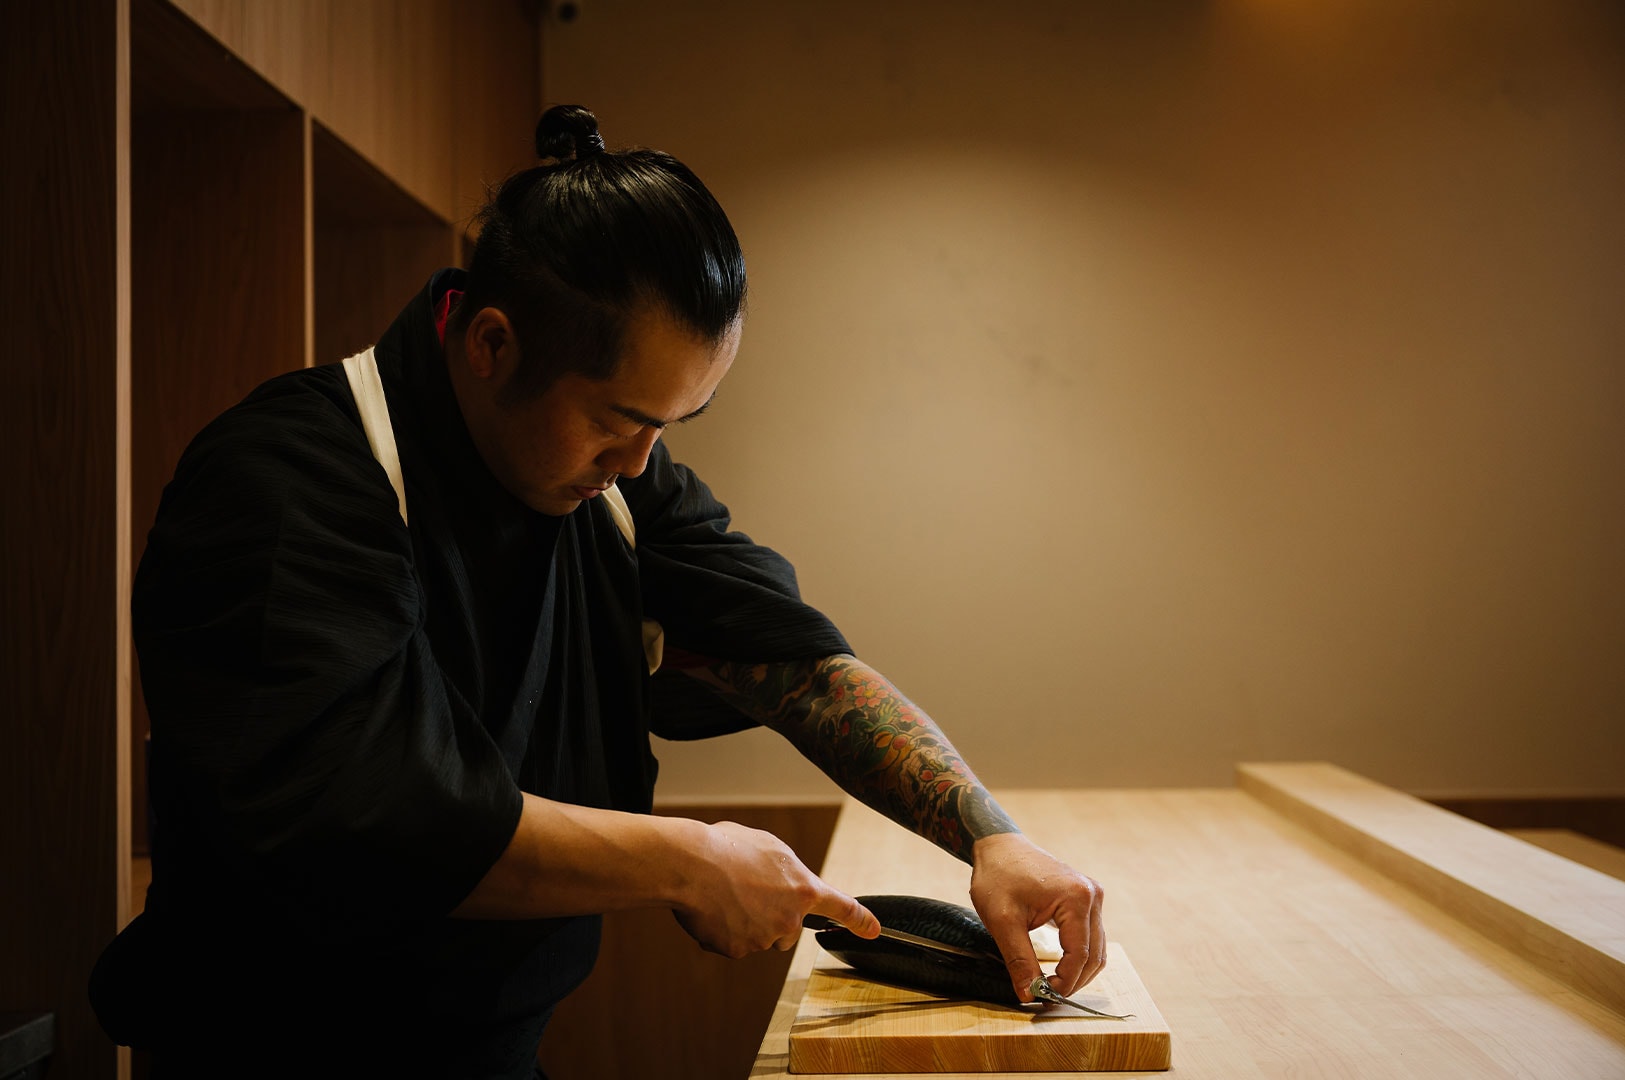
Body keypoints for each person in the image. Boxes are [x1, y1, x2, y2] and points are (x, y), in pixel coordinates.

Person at [91, 105, 1105, 1078]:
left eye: (671, 425)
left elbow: (793, 667)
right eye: (619, 419)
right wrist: (687, 860)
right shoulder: (288, 482)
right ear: (492, 344)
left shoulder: (610, 487)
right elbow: (377, 819)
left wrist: (989, 836)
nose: (638, 461)